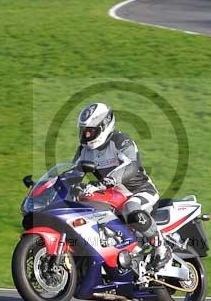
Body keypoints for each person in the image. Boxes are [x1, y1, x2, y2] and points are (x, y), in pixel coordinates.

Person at [73, 102, 170, 271]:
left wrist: (106, 181)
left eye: (91, 130)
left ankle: (161, 247)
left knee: (130, 208)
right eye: (84, 130)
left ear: (104, 126)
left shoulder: (121, 141)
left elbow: (132, 166)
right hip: (112, 196)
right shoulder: (84, 149)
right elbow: (72, 171)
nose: (86, 135)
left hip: (140, 191)